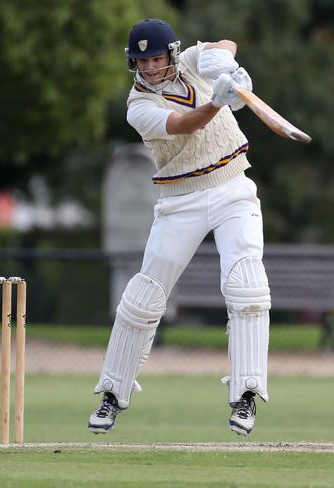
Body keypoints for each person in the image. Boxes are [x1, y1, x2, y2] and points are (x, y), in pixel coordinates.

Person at [88, 19, 270, 436]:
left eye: (156, 58)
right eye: (142, 61)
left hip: (232, 187)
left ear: (170, 53)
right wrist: (219, 101)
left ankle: (246, 395)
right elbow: (185, 125)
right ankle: (112, 395)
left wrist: (226, 66)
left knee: (246, 284)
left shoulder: (190, 61)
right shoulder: (138, 106)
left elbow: (226, 41)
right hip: (180, 200)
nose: (150, 68)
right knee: (144, 296)